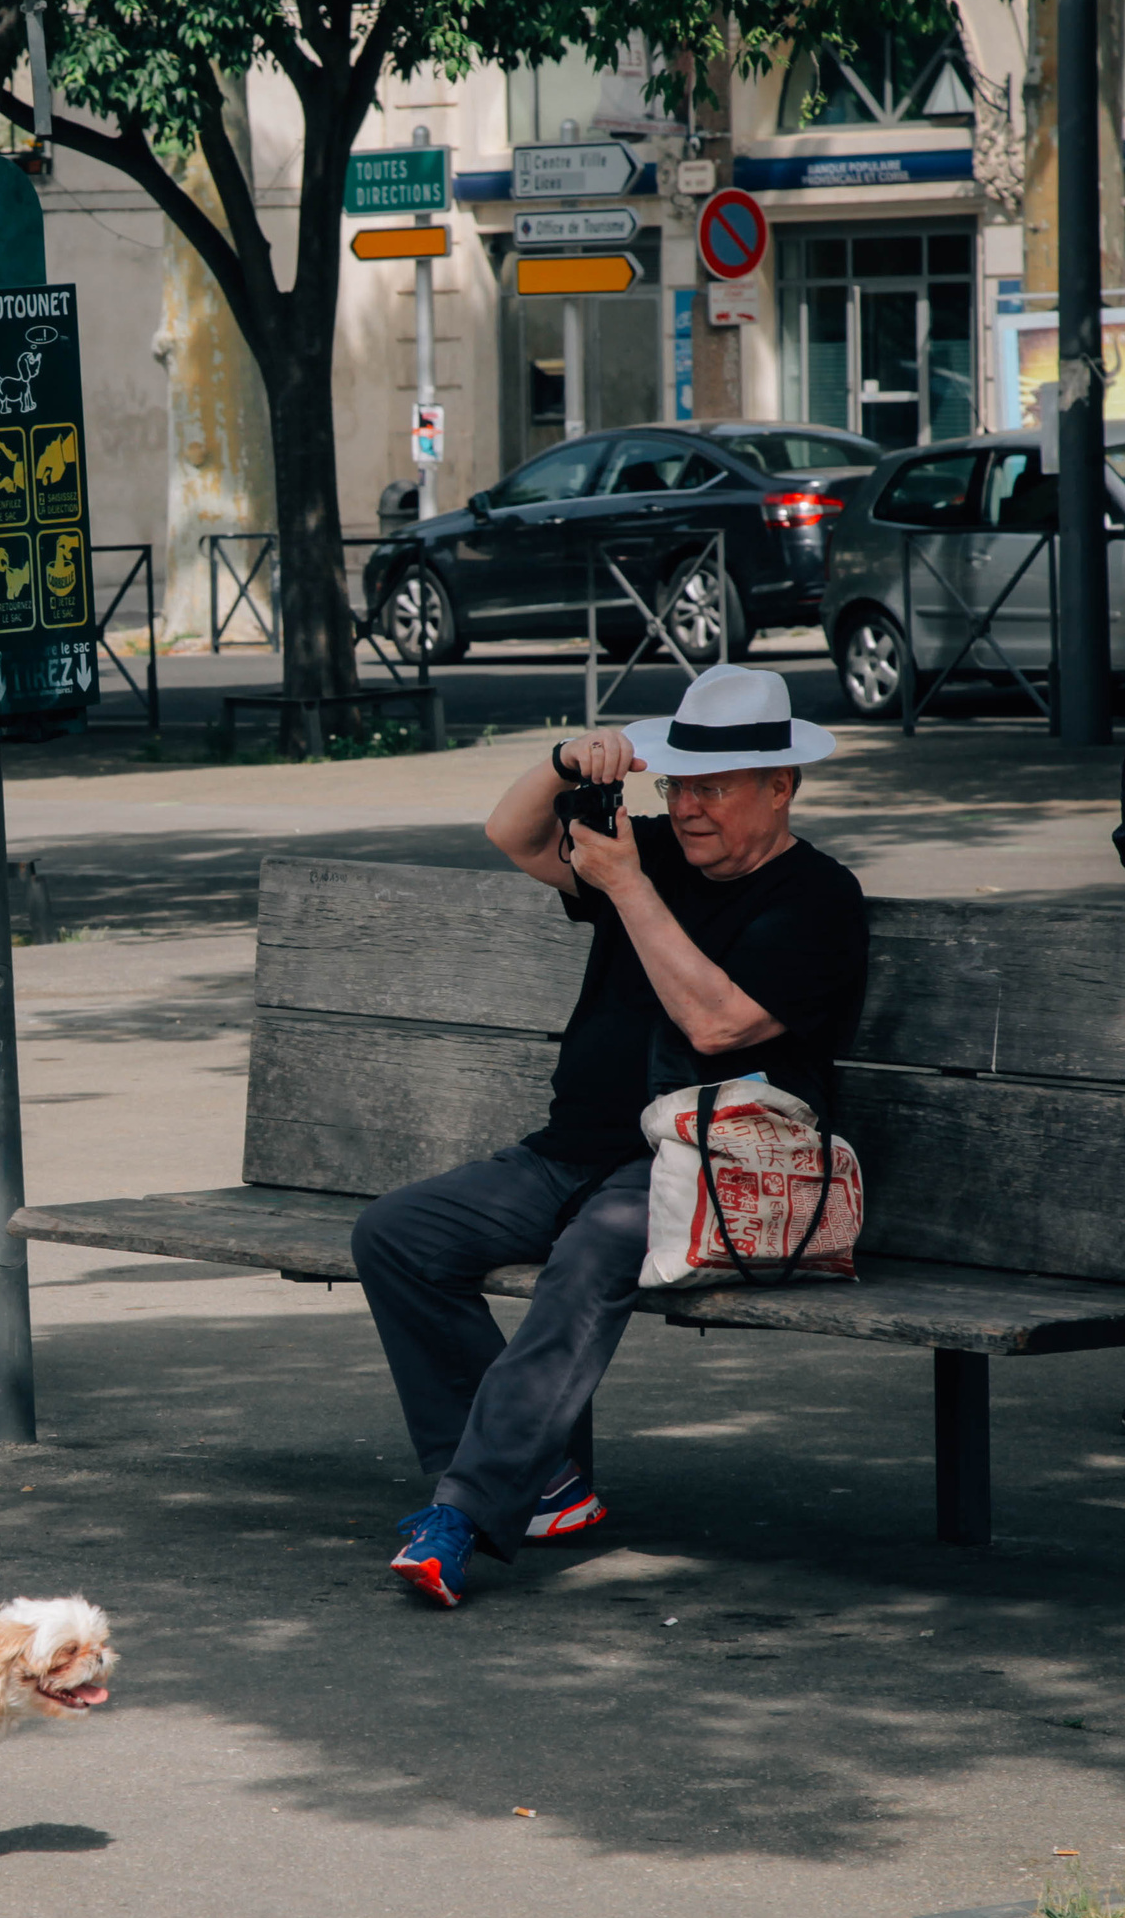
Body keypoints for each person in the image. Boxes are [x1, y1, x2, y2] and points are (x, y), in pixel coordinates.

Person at [351, 664, 866, 1610]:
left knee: (592, 1251)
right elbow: (512, 833)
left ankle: (462, 1509)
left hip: (709, 1168)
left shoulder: (819, 898)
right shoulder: (656, 849)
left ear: (782, 783)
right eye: (678, 785)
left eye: (713, 788)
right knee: (399, 1234)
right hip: (573, 1149)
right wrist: (561, 764)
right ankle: (541, 1478)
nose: (689, 807)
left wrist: (629, 886)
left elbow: (716, 1025)